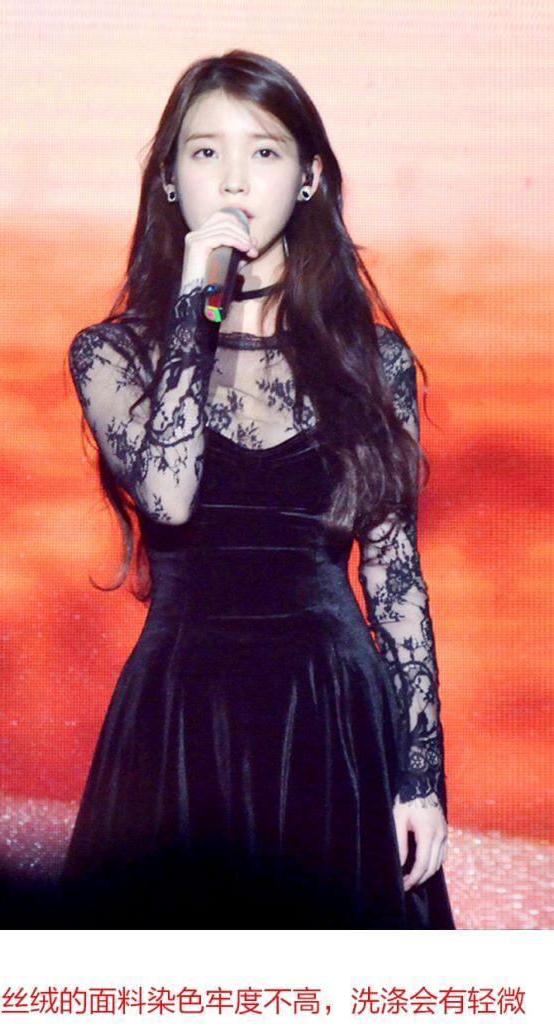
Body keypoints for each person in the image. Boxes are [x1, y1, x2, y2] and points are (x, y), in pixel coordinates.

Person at [58, 49, 455, 930]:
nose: (234, 178)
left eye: (265, 151)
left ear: (309, 177)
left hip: (332, 714)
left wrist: (421, 775)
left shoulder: (372, 361)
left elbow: (394, 577)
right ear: (169, 179)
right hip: (179, 715)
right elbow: (170, 495)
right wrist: (197, 299)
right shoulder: (111, 354)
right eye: (206, 152)